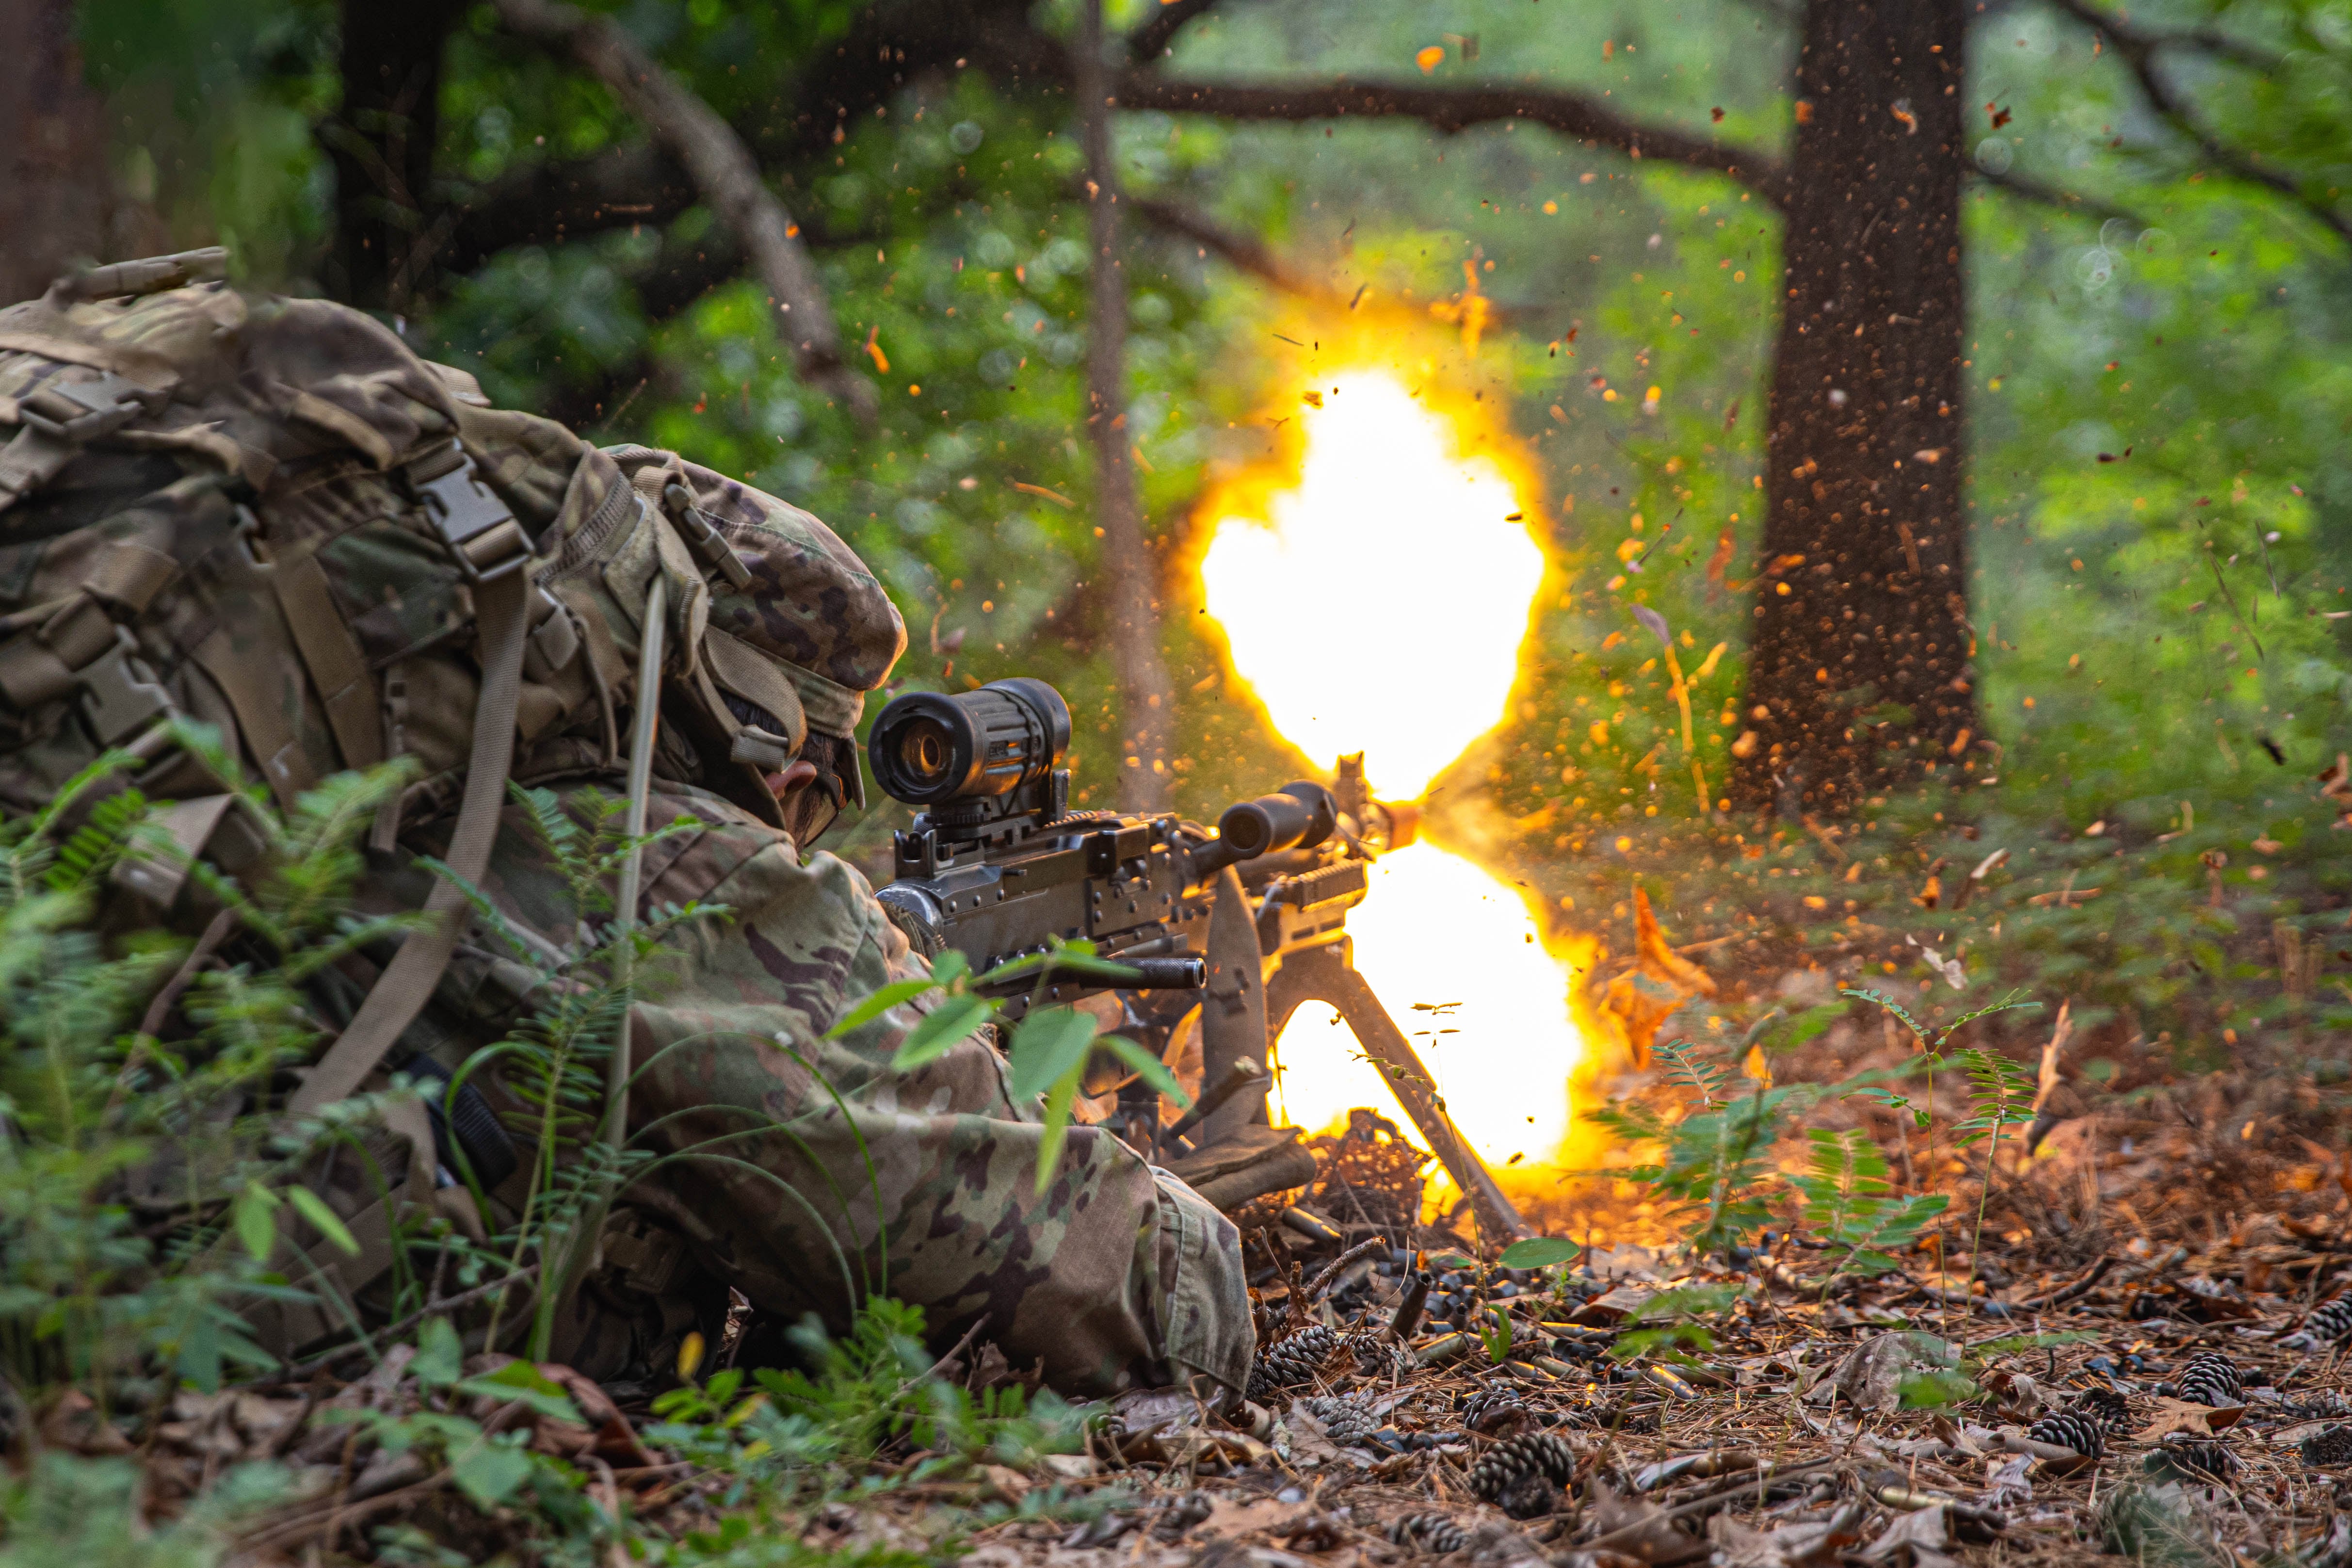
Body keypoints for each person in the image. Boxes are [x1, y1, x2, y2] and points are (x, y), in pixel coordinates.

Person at [0, 265, 1250, 1402]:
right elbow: (1103, 1282)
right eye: (814, 793)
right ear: (763, 739)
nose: (802, 831)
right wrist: (1145, 1155)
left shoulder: (397, 761)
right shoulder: (645, 864)